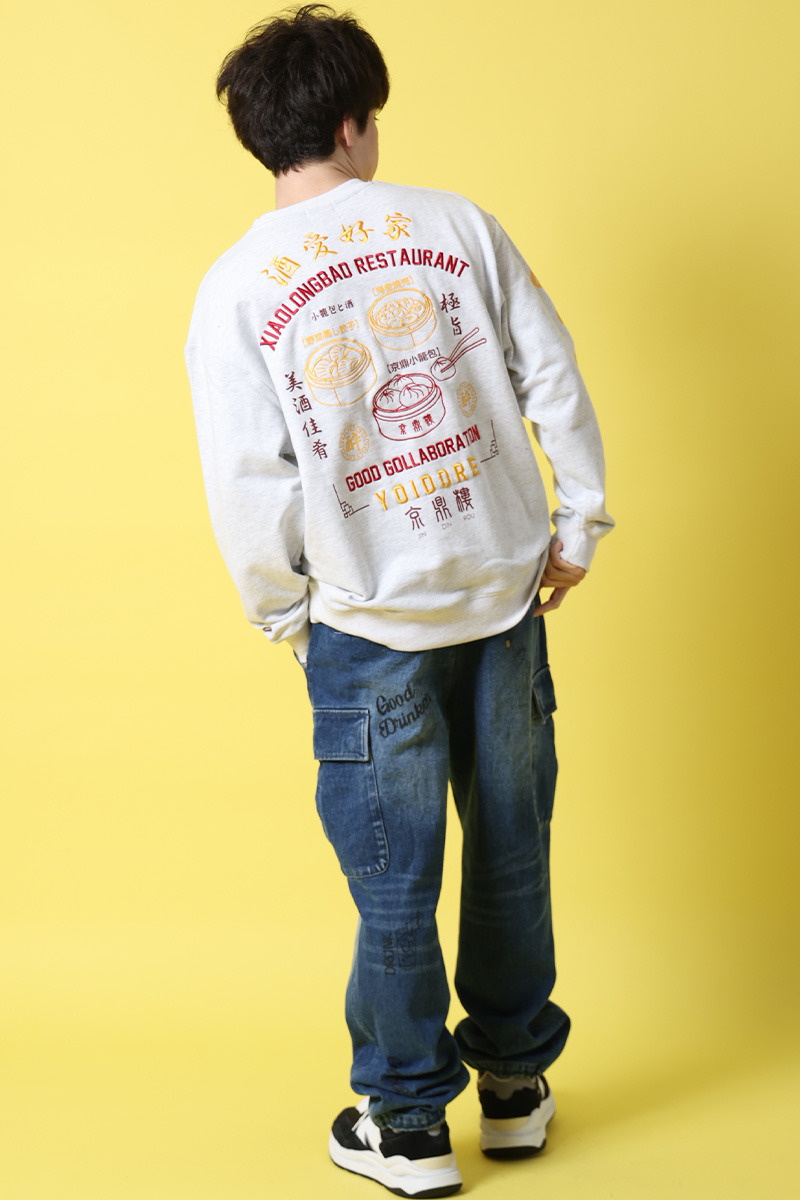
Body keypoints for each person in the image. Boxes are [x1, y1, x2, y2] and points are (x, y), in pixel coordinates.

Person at [184, 5, 614, 1195]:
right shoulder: (455, 223)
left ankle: (409, 1123)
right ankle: (514, 1086)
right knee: (511, 854)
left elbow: (245, 478)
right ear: (351, 123)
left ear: (263, 136)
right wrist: (577, 523)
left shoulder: (234, 288)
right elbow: (551, 370)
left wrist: (286, 615)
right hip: (503, 598)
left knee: (392, 880)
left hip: (365, 624)